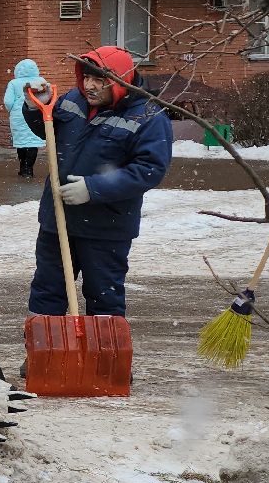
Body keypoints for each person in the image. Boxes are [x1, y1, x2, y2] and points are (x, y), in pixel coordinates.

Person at [23, 46, 173, 320]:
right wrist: (36, 107)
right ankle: (44, 358)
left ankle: (103, 360)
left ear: (119, 80)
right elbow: (47, 128)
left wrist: (93, 189)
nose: (89, 86)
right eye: (86, 78)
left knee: (104, 297)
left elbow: (149, 170)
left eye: (99, 80)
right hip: (58, 219)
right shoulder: (72, 100)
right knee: (46, 292)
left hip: (106, 227)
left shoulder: (147, 117)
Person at [3, 59, 47, 177]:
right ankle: (29, 168)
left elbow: (8, 101)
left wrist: (11, 110)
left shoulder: (14, 83)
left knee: (21, 142)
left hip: (19, 116)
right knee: (32, 142)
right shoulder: (41, 81)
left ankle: (23, 167)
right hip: (36, 113)